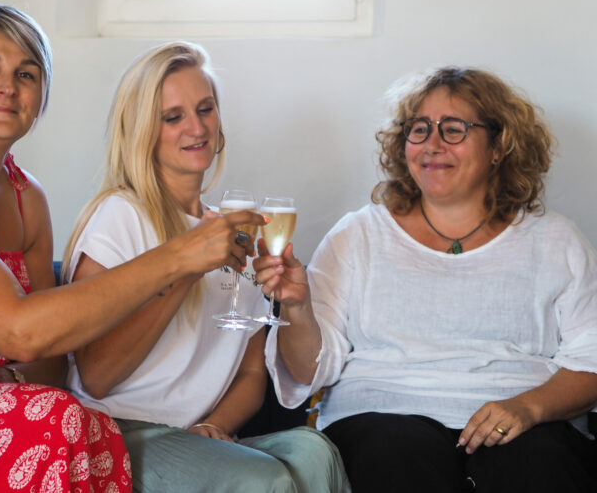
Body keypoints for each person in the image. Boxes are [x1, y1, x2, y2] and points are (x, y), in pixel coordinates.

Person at [0, 4, 261, 492]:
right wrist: (182, 256)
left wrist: (4, 374)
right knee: (54, 421)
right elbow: (21, 332)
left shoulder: (25, 197)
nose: (8, 87)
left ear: (41, 97)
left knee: (62, 414)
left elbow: (49, 363)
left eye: (26, 74)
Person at [254, 67, 597, 492]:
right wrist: (298, 308)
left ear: (499, 146)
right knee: (394, 454)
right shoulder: (358, 234)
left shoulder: (556, 240)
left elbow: (591, 361)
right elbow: (307, 370)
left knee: (537, 458)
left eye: (453, 129)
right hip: (382, 418)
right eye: (419, 129)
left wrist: (528, 407)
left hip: (522, 418)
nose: (432, 145)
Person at [61, 41, 348, 493]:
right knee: (263, 478)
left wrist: (213, 425)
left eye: (205, 109)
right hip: (118, 432)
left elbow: (251, 374)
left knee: (315, 453)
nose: (196, 128)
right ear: (142, 131)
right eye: (173, 117)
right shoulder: (121, 215)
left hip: (196, 436)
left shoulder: (235, 231)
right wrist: (187, 268)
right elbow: (97, 376)